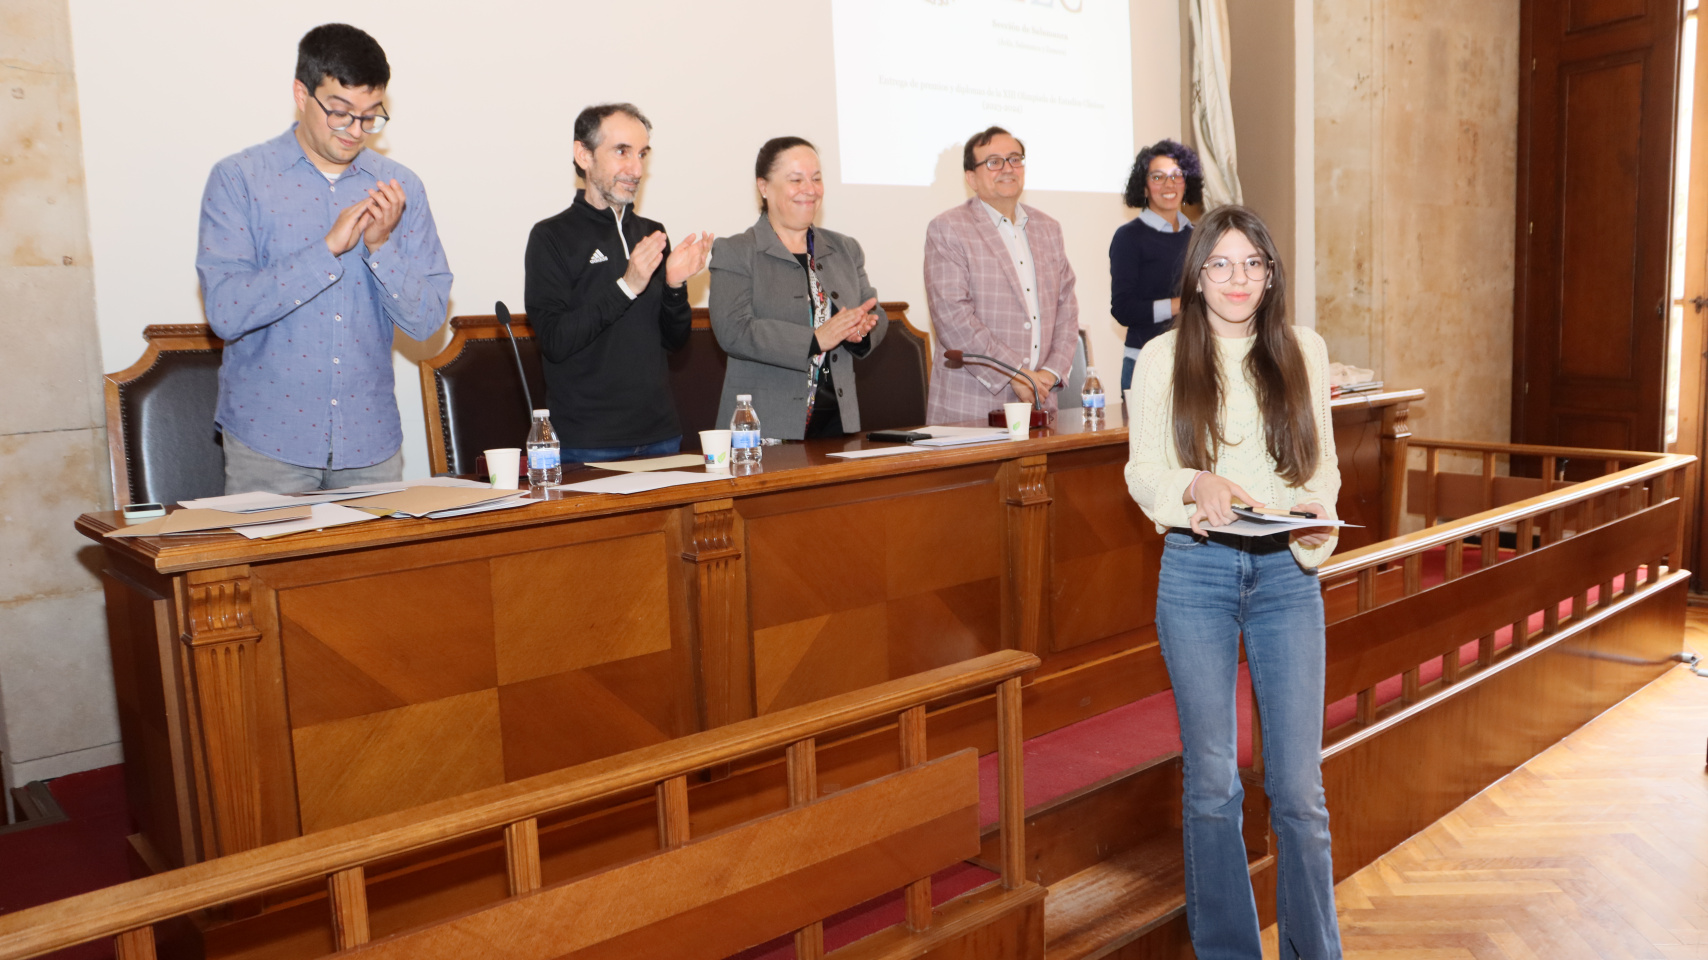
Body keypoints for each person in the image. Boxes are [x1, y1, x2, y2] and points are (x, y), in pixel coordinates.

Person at [1123, 205, 1343, 959]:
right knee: (1213, 783)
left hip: (1286, 576)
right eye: (1220, 263)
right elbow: (1144, 469)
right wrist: (1194, 483)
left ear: (1271, 275)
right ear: (1197, 277)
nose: (1237, 278)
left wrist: (1314, 514)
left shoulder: (1303, 349)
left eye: (1252, 263)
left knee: (1299, 789)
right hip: (1199, 572)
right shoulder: (1163, 357)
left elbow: (1322, 466)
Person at [197, 24, 452, 495]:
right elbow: (226, 311)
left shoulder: (401, 188)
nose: (355, 130)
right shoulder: (239, 179)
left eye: (370, 117)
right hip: (268, 445)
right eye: (340, 113)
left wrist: (381, 247)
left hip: (370, 446)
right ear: (301, 94)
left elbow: (427, 323)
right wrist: (325, 250)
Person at [525, 104, 713, 462]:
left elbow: (675, 342)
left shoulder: (652, 233)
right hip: (587, 440)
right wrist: (627, 286)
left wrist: (674, 286)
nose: (636, 169)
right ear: (584, 155)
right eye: (622, 152)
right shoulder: (551, 237)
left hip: (660, 433)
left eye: (642, 154)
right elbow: (555, 341)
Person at [708, 137, 886, 440]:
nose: (810, 189)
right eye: (796, 180)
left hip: (837, 423)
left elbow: (873, 309)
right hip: (765, 428)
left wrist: (863, 330)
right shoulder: (736, 251)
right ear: (764, 187)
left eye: (816, 178)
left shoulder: (845, 248)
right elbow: (734, 331)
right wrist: (815, 340)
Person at [923, 126, 1079, 424]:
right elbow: (953, 318)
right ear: (971, 178)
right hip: (972, 407)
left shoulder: (1049, 228)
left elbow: (1067, 309)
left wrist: (1048, 374)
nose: (1008, 168)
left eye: (1015, 159)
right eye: (994, 162)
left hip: (1041, 400)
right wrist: (1015, 374)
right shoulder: (948, 228)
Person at [1111, 139, 1203, 392]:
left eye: (1177, 175)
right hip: (1145, 363)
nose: (1169, 184)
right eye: (1158, 177)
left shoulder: (1199, 236)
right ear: (1143, 187)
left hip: (1195, 362)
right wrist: (1180, 304)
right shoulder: (1128, 237)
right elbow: (1123, 310)